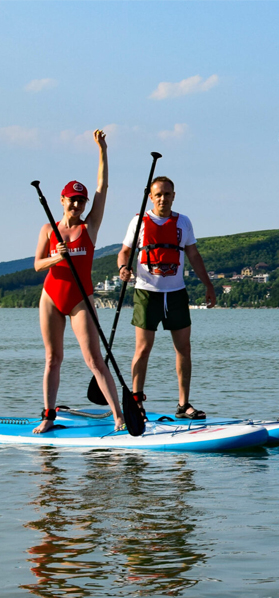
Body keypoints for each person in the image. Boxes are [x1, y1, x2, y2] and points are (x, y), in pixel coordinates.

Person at [33, 130, 124, 433]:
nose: (77, 206)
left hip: (80, 299)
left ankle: (119, 417)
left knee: (95, 361)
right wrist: (56, 258)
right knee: (52, 359)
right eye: (72, 201)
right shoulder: (49, 229)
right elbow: (37, 265)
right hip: (51, 296)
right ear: (61, 201)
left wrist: (103, 150)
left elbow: (103, 187)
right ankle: (48, 416)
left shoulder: (90, 227)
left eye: (81, 202)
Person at [117, 176, 216, 419]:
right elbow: (125, 251)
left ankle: (184, 405)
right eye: (158, 194)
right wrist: (122, 268)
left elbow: (193, 255)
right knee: (143, 348)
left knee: (184, 348)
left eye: (167, 194)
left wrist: (208, 285)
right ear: (151, 197)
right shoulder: (138, 221)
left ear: (174, 196)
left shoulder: (184, 221)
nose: (163, 198)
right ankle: (138, 402)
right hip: (146, 292)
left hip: (176, 293)